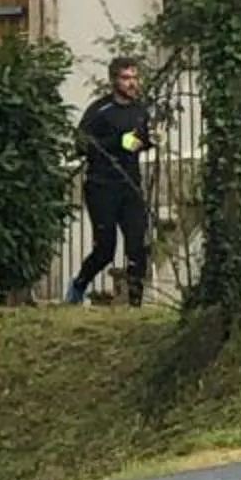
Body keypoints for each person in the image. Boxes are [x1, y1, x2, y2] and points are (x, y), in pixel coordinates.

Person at [67, 57, 162, 306]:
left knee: (137, 246)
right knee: (105, 249)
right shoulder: (100, 111)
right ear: (113, 81)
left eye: (134, 77)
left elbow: (139, 140)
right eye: (126, 78)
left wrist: (150, 140)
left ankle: (135, 304)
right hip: (101, 186)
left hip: (130, 185)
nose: (132, 83)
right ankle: (78, 286)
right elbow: (82, 144)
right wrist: (118, 142)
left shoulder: (140, 110)